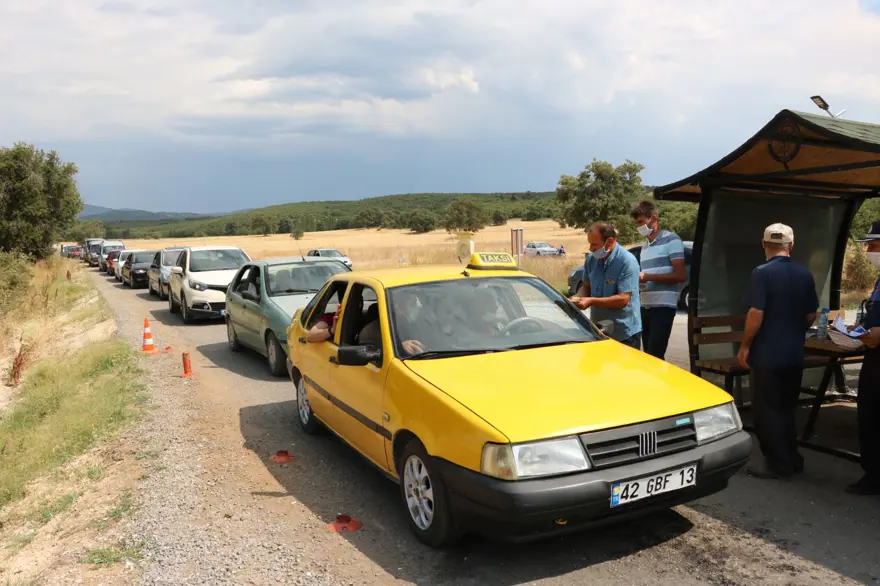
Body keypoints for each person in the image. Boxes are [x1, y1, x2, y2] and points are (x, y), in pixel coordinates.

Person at [737, 223, 818, 479]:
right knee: (786, 407)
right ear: (791, 246)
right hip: (794, 353)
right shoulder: (805, 274)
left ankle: (777, 464)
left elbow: (756, 312)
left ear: (764, 245)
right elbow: (811, 314)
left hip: (767, 354)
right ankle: (792, 458)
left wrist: (745, 345)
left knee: (767, 411)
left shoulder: (761, 273)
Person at [569, 222, 642, 348]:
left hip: (624, 334)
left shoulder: (627, 262)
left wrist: (591, 301)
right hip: (599, 331)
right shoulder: (591, 259)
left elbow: (623, 299)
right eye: (590, 244)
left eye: (595, 245)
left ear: (610, 241)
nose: (590, 248)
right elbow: (586, 286)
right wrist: (577, 298)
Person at [630, 201, 687, 360]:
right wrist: (641, 281)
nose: (638, 226)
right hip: (645, 306)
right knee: (648, 357)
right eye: (636, 223)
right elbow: (647, 277)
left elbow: (680, 275)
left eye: (641, 222)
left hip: (663, 307)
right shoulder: (645, 246)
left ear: (653, 218)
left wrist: (647, 277)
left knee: (655, 355)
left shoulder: (671, 239)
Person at [849, 220, 880, 495]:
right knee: (869, 416)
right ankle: (873, 475)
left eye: (875, 245)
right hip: (873, 356)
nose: (869, 250)